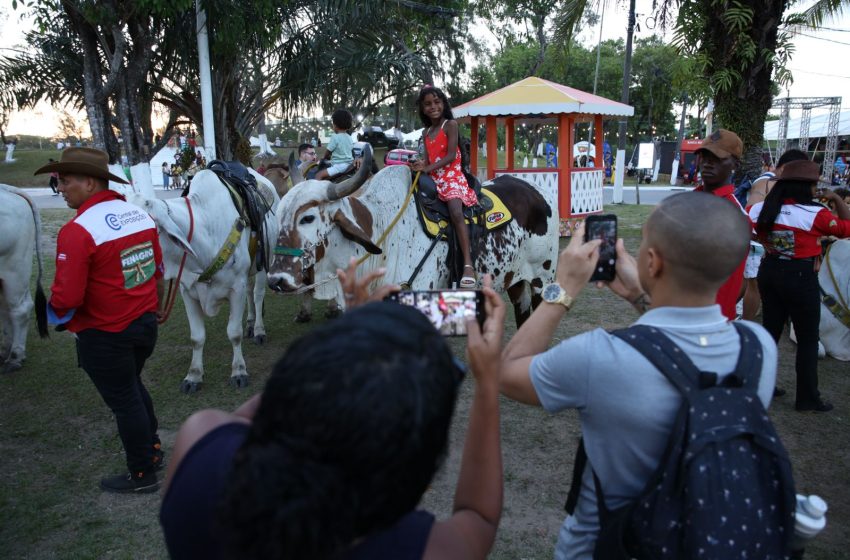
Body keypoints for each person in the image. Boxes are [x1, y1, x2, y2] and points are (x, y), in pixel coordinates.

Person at [160, 260, 505, 560]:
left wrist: (346, 338)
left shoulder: (198, 444)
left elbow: (277, 403)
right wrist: (488, 383)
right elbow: (478, 516)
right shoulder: (426, 551)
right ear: (415, 476)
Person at [498, 192, 778, 558]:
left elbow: (507, 372)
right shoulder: (759, 348)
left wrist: (562, 289)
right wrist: (639, 296)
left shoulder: (599, 356)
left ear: (651, 262)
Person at [33, 148, 167, 493]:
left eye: (64, 181)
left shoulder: (78, 231)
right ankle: (152, 451)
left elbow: (68, 298)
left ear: (89, 182)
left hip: (107, 334)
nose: (60, 187)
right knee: (132, 388)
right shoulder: (137, 214)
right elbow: (157, 271)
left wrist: (53, 314)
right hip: (143, 324)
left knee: (125, 398)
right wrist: (156, 305)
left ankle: (142, 475)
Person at [749, 160, 850, 413]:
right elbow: (847, 229)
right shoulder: (816, 214)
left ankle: (764, 385)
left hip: (769, 270)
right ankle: (807, 397)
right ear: (808, 187)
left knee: (771, 331)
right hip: (800, 276)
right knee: (807, 338)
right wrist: (837, 200)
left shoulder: (761, 209)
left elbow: (748, 226)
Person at [410, 85, 478, 288]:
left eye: (437, 102)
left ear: (444, 104)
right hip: (434, 176)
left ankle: (467, 264)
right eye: (428, 104)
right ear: (423, 108)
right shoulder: (426, 131)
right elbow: (429, 157)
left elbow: (449, 156)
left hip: (451, 176)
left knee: (455, 211)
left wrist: (428, 167)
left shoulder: (451, 125)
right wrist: (421, 165)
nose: (433, 107)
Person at [742, 149, 810, 321]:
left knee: (755, 286)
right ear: (784, 167)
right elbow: (750, 215)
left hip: (768, 245)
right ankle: (747, 323)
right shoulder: (766, 182)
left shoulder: (780, 182)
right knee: (753, 286)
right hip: (759, 243)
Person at [693, 129, 748, 320]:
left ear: (735, 165)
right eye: (704, 156)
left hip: (711, 320)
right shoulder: (689, 200)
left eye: (717, 158)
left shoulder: (733, 214)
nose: (707, 163)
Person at [314, 110, 354, 181]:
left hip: (339, 166)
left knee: (318, 175)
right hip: (350, 164)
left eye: (333, 123)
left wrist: (324, 158)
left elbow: (328, 152)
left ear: (335, 125)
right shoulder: (349, 137)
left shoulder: (335, 137)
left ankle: (316, 191)